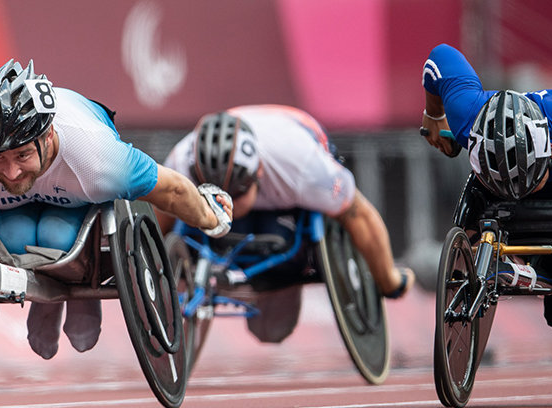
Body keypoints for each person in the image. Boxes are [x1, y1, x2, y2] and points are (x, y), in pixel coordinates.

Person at [0, 59, 232, 359]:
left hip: (76, 187)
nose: (11, 172)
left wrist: (209, 216)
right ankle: (48, 298)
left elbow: (172, 190)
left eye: (22, 155)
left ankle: (76, 293)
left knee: (56, 235)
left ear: (48, 136)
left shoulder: (97, 158)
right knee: (15, 236)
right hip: (15, 218)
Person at [155, 105, 414, 343]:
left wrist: (389, 280)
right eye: (214, 197)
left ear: (258, 173)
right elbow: (160, 222)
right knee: (184, 216)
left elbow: (359, 215)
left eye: (233, 196)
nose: (224, 204)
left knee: (271, 330)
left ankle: (288, 265)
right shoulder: (181, 162)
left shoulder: (304, 168)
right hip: (252, 163)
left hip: (296, 147)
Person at [421, 43, 552, 334]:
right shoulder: (467, 119)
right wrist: (434, 115)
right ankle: (548, 264)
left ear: (548, 151)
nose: (518, 190)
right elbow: (441, 56)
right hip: (505, 207)